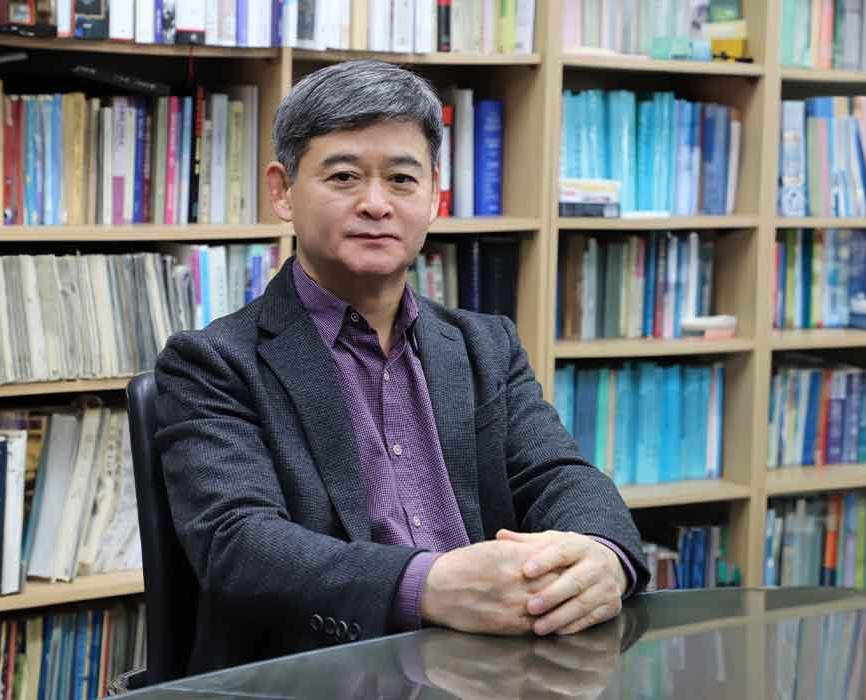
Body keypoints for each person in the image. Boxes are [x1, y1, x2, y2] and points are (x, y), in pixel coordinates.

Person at [153, 59, 651, 675]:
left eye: (401, 179)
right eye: (343, 176)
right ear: (282, 191)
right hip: (325, 676)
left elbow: (558, 476)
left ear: (434, 194)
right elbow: (239, 544)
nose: (376, 204)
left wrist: (602, 556)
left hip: (497, 671)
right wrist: (428, 586)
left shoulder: (484, 346)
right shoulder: (212, 362)